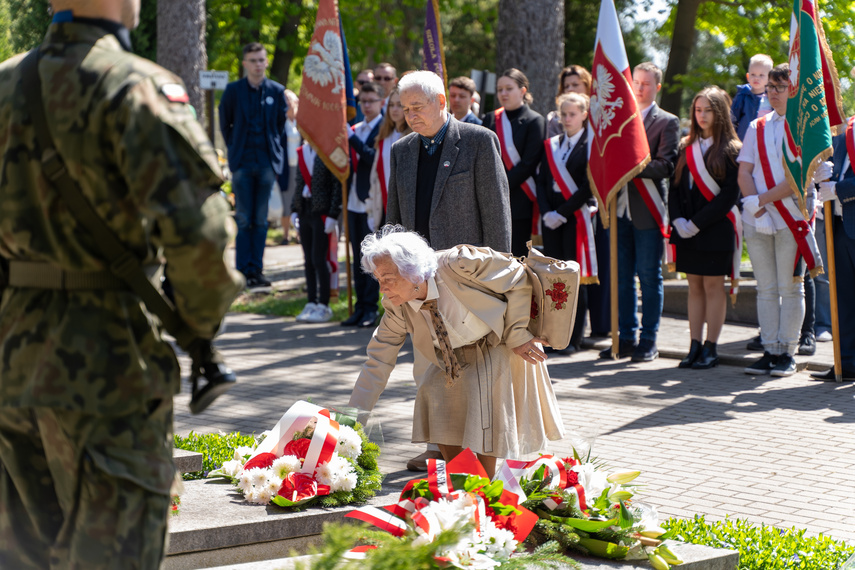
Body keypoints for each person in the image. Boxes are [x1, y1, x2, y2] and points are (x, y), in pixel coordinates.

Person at [0, 2, 244, 567]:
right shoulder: (136, 86)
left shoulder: (6, 84)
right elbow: (202, 237)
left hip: (11, 369)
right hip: (105, 371)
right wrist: (196, 328)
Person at [348, 227, 564, 479]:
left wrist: (518, 333)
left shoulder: (460, 263)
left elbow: (517, 276)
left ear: (413, 273)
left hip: (497, 341)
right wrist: (352, 424)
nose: (382, 289)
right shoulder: (397, 306)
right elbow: (377, 361)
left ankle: (486, 485)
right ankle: (463, 477)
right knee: (432, 391)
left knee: (487, 400)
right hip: (451, 354)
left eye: (388, 279)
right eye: (378, 279)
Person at [384, 70, 512, 472]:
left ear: (442, 101)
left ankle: (476, 447)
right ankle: (437, 446)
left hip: (466, 276)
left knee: (472, 368)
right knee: (426, 364)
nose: (410, 116)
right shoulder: (402, 150)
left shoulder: (477, 142)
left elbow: (496, 214)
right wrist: (389, 270)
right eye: (405, 109)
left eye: (417, 107)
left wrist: (501, 279)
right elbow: (394, 217)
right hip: (417, 279)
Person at [738, 63, 822, 377]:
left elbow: (798, 179)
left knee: (791, 288)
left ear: (793, 90)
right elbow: (745, 170)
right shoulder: (757, 126)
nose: (772, 92)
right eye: (770, 86)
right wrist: (753, 205)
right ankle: (770, 349)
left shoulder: (803, 130)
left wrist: (760, 200)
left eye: (779, 87)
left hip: (791, 215)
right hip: (758, 217)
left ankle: (788, 351)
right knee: (766, 288)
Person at [599, 62, 680, 362]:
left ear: (657, 87)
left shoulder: (667, 121)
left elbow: (666, 166)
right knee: (621, 278)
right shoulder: (618, 118)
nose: (640, 88)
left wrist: (630, 166)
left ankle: (649, 340)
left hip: (647, 210)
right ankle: (625, 338)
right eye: (636, 82)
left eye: (646, 83)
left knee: (648, 276)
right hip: (618, 209)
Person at [669, 87, 742, 369]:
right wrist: (677, 220)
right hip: (685, 228)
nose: (701, 115)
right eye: (698, 110)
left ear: (719, 113)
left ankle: (711, 347)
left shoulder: (732, 150)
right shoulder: (684, 146)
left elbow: (728, 196)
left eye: (708, 110)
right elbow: (674, 189)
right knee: (694, 287)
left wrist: (696, 223)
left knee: (713, 286)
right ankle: (694, 345)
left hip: (715, 229)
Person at [219, 42, 289, 291]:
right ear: (245, 63)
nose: (258, 64)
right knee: (243, 219)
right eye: (253, 60)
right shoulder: (233, 91)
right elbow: (225, 124)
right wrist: (235, 150)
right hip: (242, 164)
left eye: (261, 60)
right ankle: (241, 272)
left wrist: (275, 156)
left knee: (260, 221)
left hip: (267, 164)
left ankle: (256, 271)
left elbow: (280, 127)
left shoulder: (276, 91)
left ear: (266, 62)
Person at [537, 92, 596, 354]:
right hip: (551, 218)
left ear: (584, 114)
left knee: (574, 279)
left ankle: (574, 338)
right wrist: (548, 211)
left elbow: (588, 185)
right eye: (564, 114)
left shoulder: (592, 144)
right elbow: (541, 181)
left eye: (573, 114)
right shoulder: (551, 144)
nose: (567, 119)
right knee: (553, 281)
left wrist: (562, 211)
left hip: (575, 218)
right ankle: (554, 336)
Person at [482, 68, 546, 257]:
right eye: (500, 89)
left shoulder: (535, 121)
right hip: (491, 199)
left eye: (508, 88)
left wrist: (499, 186)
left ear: (523, 91)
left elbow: (529, 163)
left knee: (518, 255)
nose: (503, 93)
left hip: (520, 199)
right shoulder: (490, 119)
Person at [811, 111, 855, 381]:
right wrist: (822, 175)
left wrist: (840, 189)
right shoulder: (845, 129)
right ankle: (847, 361)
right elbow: (833, 170)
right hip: (839, 226)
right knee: (844, 300)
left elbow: (841, 185)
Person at [343, 81, 385, 328]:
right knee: (356, 257)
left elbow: (373, 157)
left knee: (370, 259)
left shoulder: (382, 128)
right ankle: (360, 307)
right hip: (353, 200)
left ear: (381, 103)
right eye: (363, 102)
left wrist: (352, 139)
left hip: (371, 200)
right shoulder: (355, 128)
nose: (366, 106)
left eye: (371, 101)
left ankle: (371, 308)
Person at [292, 144, 341, 323]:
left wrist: (333, 214)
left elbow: (336, 184)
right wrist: (294, 209)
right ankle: (311, 301)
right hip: (305, 210)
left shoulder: (327, 151)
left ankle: (323, 304)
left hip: (321, 212)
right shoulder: (303, 151)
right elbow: (298, 183)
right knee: (308, 260)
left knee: (319, 259)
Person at [367, 87, 411, 232]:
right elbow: (376, 174)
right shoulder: (384, 136)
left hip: (404, 204)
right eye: (391, 105)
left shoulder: (413, 137)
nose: (395, 109)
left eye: (399, 105)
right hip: (382, 201)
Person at [731, 54, 773, 141]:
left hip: (766, 142)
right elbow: (732, 119)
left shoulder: (772, 97)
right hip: (744, 141)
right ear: (748, 76)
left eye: (761, 75)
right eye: (753, 74)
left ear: (769, 78)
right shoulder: (742, 96)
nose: (756, 78)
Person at [546, 65, 592, 137]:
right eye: (566, 86)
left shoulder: (598, 118)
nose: (570, 89)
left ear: (587, 87)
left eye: (575, 85)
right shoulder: (555, 120)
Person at [280, 89, 301, 245]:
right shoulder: (280, 121)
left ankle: (299, 234)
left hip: (301, 167)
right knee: (286, 202)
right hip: (286, 167)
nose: (288, 102)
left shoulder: (302, 121)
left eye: (290, 99)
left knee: (300, 201)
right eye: (285, 99)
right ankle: (285, 235)